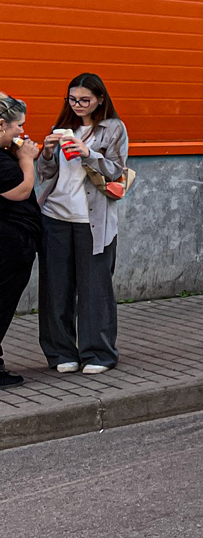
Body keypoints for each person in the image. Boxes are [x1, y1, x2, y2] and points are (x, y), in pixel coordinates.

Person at [34, 73, 129, 375]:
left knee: (95, 290)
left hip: (93, 220)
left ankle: (99, 353)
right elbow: (45, 173)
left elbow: (116, 171)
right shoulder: (62, 128)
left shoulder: (113, 128)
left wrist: (89, 153)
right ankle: (61, 352)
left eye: (84, 100)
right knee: (55, 289)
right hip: (55, 216)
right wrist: (47, 152)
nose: (77, 105)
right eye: (72, 99)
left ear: (100, 98)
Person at [0, 94, 42, 389]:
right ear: (2, 124)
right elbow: (19, 191)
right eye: (18, 126)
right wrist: (27, 162)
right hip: (9, 243)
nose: (22, 133)